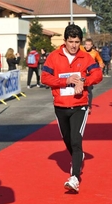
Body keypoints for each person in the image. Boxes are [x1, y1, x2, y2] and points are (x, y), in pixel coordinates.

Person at [41, 24, 103, 193]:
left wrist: (84, 81)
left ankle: (74, 177)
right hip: (60, 106)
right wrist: (66, 81)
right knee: (68, 140)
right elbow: (45, 77)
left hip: (79, 105)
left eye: (77, 41)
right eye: (71, 41)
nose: (74, 45)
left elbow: (98, 74)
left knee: (76, 140)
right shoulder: (54, 57)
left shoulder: (85, 57)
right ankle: (78, 156)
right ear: (65, 41)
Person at [82, 38, 104, 114]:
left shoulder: (95, 53)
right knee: (81, 89)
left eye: (89, 45)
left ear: (92, 45)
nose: (87, 46)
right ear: (84, 45)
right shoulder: (81, 51)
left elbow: (100, 61)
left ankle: (89, 106)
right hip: (82, 73)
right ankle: (81, 104)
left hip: (90, 74)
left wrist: (100, 67)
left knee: (88, 90)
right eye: (86, 44)